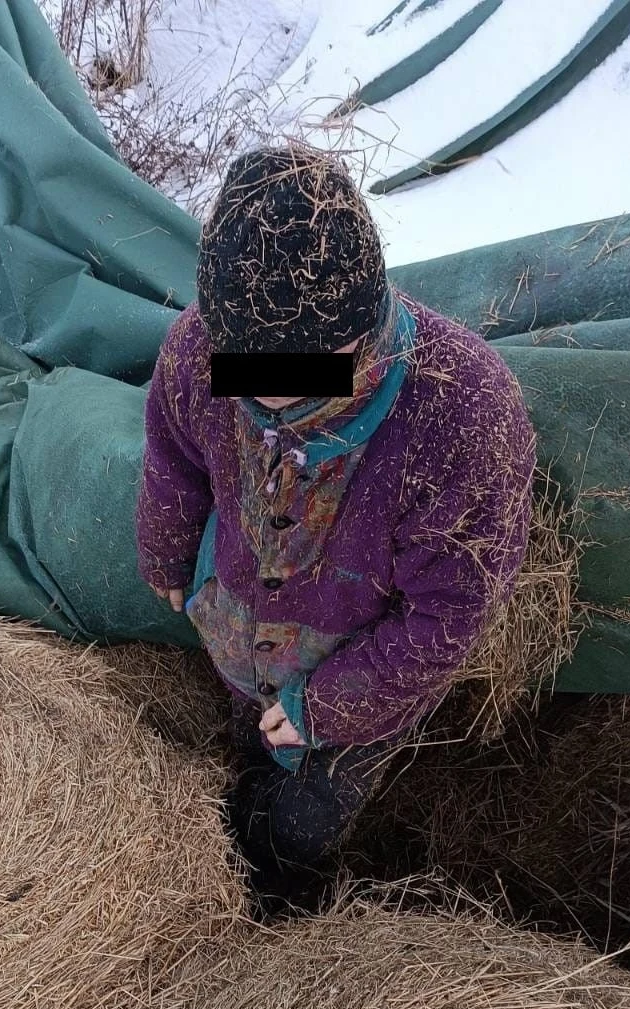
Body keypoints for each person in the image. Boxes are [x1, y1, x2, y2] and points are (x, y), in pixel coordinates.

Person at [135, 142, 536, 913]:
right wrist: (165, 554)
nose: (274, 394)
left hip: (359, 669)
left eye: (312, 365)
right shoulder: (196, 352)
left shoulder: (463, 414)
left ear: (363, 323)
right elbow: (173, 458)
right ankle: (255, 789)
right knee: (247, 748)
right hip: (240, 628)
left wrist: (330, 707)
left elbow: (451, 614)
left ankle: (288, 887)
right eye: (250, 364)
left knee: (304, 823)